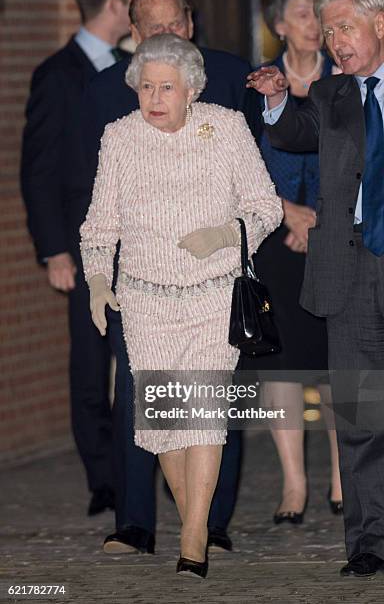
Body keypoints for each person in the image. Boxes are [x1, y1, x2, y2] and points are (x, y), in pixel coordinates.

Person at [80, 33, 282, 578]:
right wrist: (98, 283)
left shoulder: (226, 127)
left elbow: (266, 208)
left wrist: (225, 234)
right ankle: (196, 520)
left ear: (192, 89)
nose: (155, 97)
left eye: (167, 87)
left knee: (204, 419)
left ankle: (193, 539)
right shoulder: (119, 138)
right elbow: (99, 229)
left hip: (214, 297)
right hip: (146, 303)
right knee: (168, 426)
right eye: (146, 87)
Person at [249, 0, 384, 579]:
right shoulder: (331, 93)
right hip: (349, 271)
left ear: (381, 22)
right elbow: (295, 132)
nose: (335, 41)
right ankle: (368, 544)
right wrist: (278, 99)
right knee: (359, 414)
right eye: (328, 32)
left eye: (345, 27)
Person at [20, 0, 133, 516]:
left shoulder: (137, 69)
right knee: (91, 363)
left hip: (140, 240)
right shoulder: (57, 74)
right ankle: (104, 481)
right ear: (115, 3)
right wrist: (54, 251)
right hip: (84, 246)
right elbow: (38, 170)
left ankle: (144, 468)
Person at [246, 0, 342, 525]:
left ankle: (340, 476)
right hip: (272, 240)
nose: (315, 26)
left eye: (321, 17)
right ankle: (293, 484)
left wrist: (319, 221)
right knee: (281, 363)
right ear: (278, 23)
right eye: (303, 15)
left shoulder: (346, 80)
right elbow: (241, 165)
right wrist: (287, 214)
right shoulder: (255, 85)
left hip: (336, 240)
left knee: (333, 361)